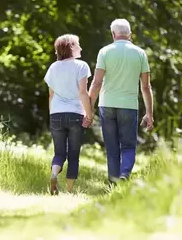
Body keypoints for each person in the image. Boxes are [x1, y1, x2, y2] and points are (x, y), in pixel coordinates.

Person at [88, 19, 154, 185]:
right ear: (130, 35)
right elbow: (146, 87)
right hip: (129, 106)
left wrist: (88, 109)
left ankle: (113, 182)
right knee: (128, 146)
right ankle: (124, 174)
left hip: (107, 104)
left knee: (112, 148)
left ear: (113, 34)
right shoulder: (140, 53)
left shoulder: (104, 52)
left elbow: (96, 84)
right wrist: (149, 114)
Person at [44, 34, 93, 195]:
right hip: (75, 114)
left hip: (56, 114)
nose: (81, 47)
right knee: (73, 154)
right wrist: (89, 114)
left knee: (59, 153)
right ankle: (70, 190)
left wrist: (52, 115)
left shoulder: (53, 67)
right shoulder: (81, 66)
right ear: (71, 47)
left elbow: (50, 95)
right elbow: (83, 93)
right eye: (78, 44)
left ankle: (53, 174)